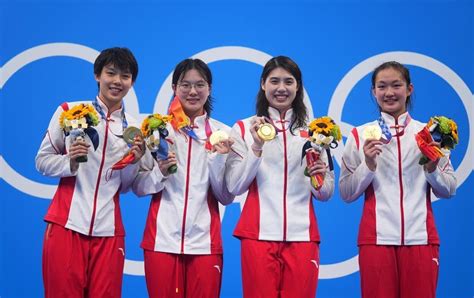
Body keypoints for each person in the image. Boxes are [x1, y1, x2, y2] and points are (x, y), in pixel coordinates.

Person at [339, 61, 457, 298]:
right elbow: (346, 193)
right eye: (382, 86)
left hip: (421, 239)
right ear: (374, 92)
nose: (389, 93)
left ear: (409, 89)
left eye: (396, 85)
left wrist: (433, 168)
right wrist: (368, 166)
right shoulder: (359, 134)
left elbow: (449, 189)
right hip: (376, 240)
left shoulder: (428, 133)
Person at [36, 47, 146, 298]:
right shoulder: (69, 111)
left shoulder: (135, 128)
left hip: (109, 232)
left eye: (125, 76)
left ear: (132, 82)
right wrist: (71, 163)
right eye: (111, 73)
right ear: (98, 75)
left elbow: (127, 185)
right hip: (67, 224)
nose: (117, 81)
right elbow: (42, 161)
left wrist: (134, 162)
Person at [225, 56, 334, 297]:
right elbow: (234, 186)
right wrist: (256, 147)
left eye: (288, 81)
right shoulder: (244, 129)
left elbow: (325, 193)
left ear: (298, 86)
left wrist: (319, 178)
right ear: (263, 84)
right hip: (257, 236)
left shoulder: (317, 131)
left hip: (302, 237)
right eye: (274, 81)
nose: (281, 88)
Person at [132, 58, 235, 298]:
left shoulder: (223, 134)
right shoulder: (156, 130)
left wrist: (218, 159)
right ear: (174, 88)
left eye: (200, 85)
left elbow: (226, 196)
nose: (192, 91)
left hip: (205, 243)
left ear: (209, 88)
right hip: (161, 240)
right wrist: (160, 173)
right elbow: (138, 186)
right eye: (185, 85)